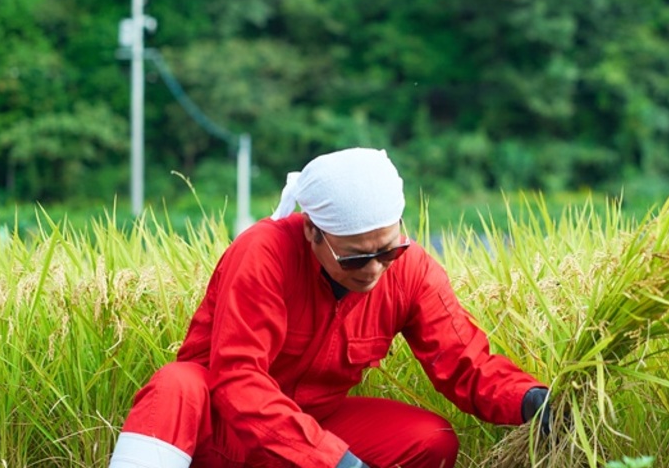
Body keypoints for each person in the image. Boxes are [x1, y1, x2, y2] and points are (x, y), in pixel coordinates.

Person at [108, 147, 551, 468]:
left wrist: (533, 400)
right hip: (222, 433)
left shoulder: (412, 269)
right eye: (356, 257)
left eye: (388, 251)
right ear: (312, 233)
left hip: (312, 425)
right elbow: (238, 379)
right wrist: (334, 462)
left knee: (429, 439)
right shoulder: (263, 253)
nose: (375, 269)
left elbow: (465, 363)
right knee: (177, 384)